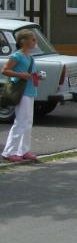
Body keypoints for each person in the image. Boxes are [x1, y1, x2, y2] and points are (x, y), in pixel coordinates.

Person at [1, 30, 39, 162]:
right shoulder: (17, 56)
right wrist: (20, 75)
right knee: (21, 121)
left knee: (28, 122)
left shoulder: (30, 57)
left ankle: (23, 150)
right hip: (21, 92)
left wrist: (37, 76)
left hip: (30, 91)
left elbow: (31, 73)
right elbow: (5, 70)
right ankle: (9, 152)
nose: (35, 42)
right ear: (23, 41)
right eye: (32, 39)